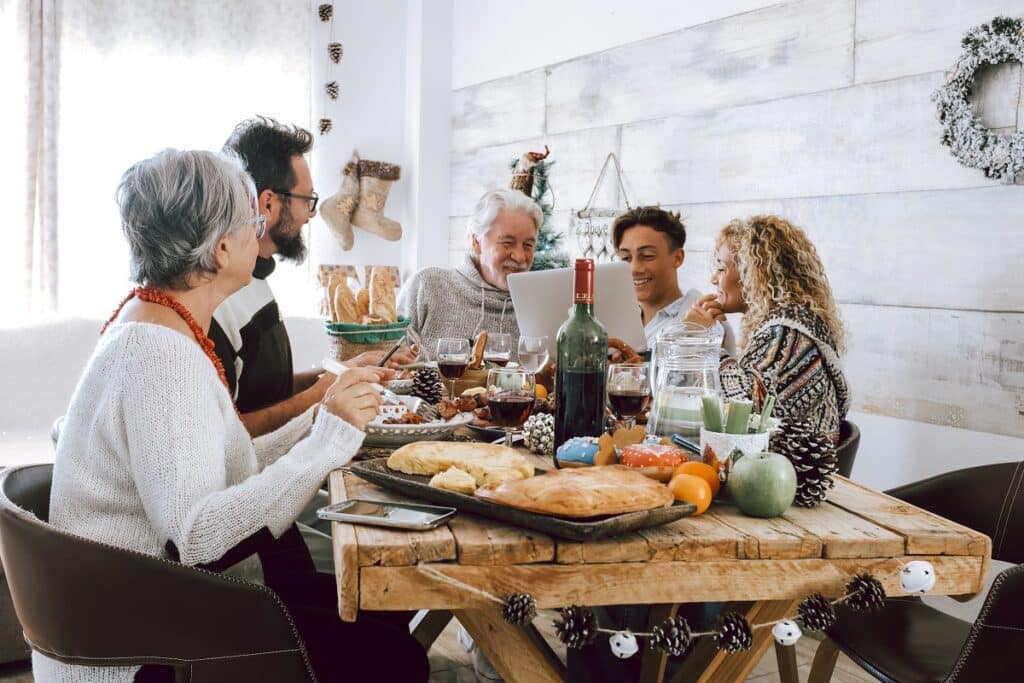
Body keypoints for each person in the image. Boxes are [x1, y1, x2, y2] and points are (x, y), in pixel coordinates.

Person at [39, 149, 428, 683]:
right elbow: (198, 539)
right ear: (221, 249)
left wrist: (321, 422)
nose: (260, 228)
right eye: (251, 220)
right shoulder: (161, 358)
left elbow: (224, 460)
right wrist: (328, 442)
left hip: (144, 612)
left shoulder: (155, 323)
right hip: (140, 650)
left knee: (377, 622)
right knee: (390, 656)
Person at [212, 116, 413, 439]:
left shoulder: (256, 279)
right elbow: (228, 438)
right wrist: (322, 395)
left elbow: (263, 390)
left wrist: (341, 371)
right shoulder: (216, 298)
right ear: (268, 203)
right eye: (307, 200)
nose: (313, 213)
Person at [686, 214, 850, 437]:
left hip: (785, 468)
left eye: (722, 269)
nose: (714, 279)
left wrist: (704, 342)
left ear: (752, 273)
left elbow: (744, 410)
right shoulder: (790, 323)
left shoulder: (787, 334)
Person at [398, 188, 543, 354]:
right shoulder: (427, 285)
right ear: (476, 241)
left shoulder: (538, 308)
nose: (519, 256)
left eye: (528, 245)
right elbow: (388, 366)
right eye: (507, 242)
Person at [612, 206, 734, 353]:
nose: (634, 269)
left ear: (677, 258)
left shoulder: (705, 322)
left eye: (647, 255)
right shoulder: (617, 321)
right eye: (625, 258)